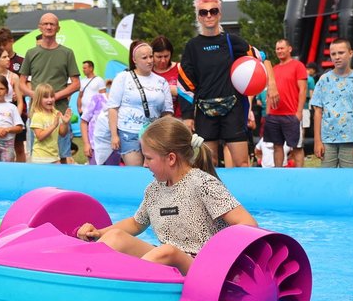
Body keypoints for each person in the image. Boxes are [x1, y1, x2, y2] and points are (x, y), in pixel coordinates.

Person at [75, 117, 257, 276]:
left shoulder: (203, 184)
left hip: (200, 267)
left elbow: (248, 224)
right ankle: (84, 273)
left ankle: (123, 288)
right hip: (164, 261)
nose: (145, 165)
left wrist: (221, 260)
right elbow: (136, 223)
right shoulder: (154, 189)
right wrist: (99, 232)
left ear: (171, 158)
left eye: (149, 158)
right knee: (115, 237)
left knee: (167, 251)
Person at [178, 0, 278, 168]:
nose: (209, 15)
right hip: (204, 113)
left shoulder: (232, 41)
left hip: (233, 110)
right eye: (203, 12)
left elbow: (262, 56)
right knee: (209, 165)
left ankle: (242, 196)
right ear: (198, 17)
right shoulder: (192, 47)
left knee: (242, 163)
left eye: (213, 11)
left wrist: (271, 84)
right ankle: (212, 197)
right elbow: (185, 83)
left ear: (219, 14)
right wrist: (187, 116)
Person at [19, 13, 80, 163]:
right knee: (38, 153)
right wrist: (36, 96)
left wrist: (55, 97)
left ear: (58, 28)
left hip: (59, 111)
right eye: (45, 24)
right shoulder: (31, 53)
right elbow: (21, 83)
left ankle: (62, 186)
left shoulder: (67, 53)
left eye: (52, 24)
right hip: (38, 113)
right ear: (39, 27)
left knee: (63, 154)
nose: (48, 27)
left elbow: (76, 83)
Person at [103, 41, 173, 166]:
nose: (149, 61)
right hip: (128, 132)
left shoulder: (161, 81)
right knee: (135, 169)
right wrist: (114, 135)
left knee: (153, 171)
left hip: (153, 133)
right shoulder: (123, 77)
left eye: (151, 56)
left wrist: (166, 135)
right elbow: (113, 108)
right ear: (134, 60)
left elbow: (167, 112)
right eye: (144, 58)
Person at [311, 38, 353, 168]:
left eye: (341, 53)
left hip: (350, 139)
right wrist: (317, 141)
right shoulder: (323, 80)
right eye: (333, 54)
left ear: (350, 53)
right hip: (327, 139)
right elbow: (317, 112)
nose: (337, 57)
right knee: (328, 177)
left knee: (348, 177)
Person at [265, 38, 308, 167]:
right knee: (277, 146)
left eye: (282, 48)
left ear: (289, 49)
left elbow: (303, 89)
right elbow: (269, 92)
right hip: (274, 115)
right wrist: (268, 113)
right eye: (277, 49)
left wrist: (299, 112)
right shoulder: (273, 69)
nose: (279, 51)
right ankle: (278, 173)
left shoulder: (298, 65)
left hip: (291, 114)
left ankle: (299, 175)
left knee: (297, 147)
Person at [0, 26, 27, 161]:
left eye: (4, 44)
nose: (2, 47)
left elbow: (27, 84)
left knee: (19, 146)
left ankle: (21, 174)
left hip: (17, 108)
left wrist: (19, 92)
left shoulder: (21, 61)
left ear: (12, 41)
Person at [28, 83, 72, 164]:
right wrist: (53, 126)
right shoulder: (37, 115)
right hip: (40, 158)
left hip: (54, 157)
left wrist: (65, 123)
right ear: (38, 99)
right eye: (46, 97)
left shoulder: (56, 113)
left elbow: (62, 133)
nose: (50, 99)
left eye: (52, 96)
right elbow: (40, 136)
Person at [80, 78, 110, 165]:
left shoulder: (125, 103)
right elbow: (84, 122)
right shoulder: (98, 99)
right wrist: (86, 144)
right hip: (95, 147)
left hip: (114, 148)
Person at [151, 35, 181, 118]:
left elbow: (191, 91)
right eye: (159, 57)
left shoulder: (180, 69)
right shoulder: (147, 72)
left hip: (178, 118)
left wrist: (177, 91)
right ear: (152, 55)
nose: (163, 60)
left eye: (166, 56)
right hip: (155, 120)